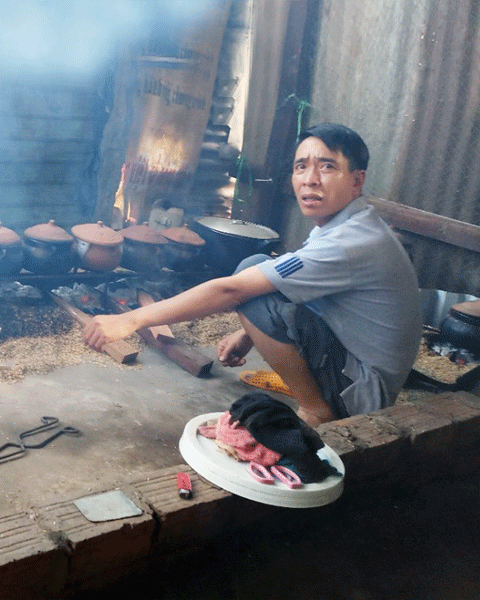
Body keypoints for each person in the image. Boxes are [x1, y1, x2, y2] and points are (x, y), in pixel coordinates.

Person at [82, 123, 422, 427]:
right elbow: (300, 288)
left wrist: (130, 320)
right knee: (256, 270)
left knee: (253, 291)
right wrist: (245, 334)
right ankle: (321, 401)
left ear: (357, 180)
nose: (310, 179)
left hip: (364, 393)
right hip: (359, 368)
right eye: (301, 167)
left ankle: (320, 412)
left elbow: (231, 292)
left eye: (327, 167)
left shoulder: (349, 243)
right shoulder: (351, 224)